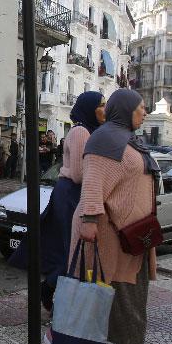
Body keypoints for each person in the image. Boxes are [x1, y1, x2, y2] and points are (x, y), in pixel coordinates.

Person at [72, 89, 160, 344]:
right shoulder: (106, 139)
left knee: (128, 292)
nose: (145, 113)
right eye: (141, 108)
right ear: (125, 109)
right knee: (110, 292)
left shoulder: (127, 138)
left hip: (134, 234)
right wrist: (88, 221)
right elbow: (94, 184)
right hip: (111, 235)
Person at [11, 92, 104, 310]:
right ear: (90, 108)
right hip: (72, 191)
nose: (105, 109)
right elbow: (81, 174)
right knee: (72, 248)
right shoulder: (81, 131)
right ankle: (50, 290)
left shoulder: (88, 130)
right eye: (101, 105)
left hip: (71, 191)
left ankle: (52, 290)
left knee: (69, 249)